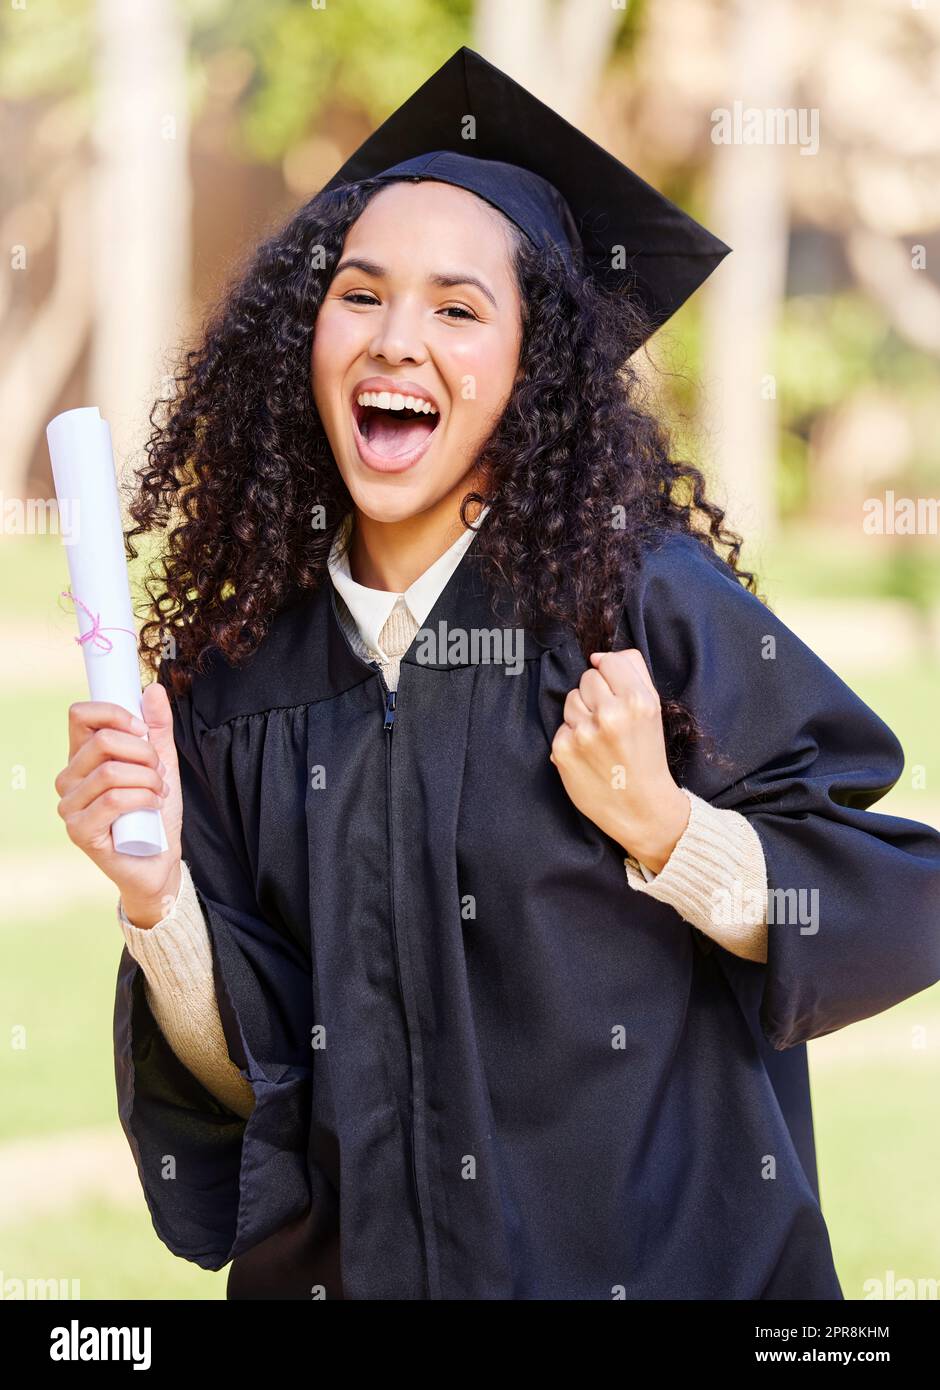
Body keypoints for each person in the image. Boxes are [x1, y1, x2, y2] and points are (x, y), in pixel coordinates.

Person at [55, 48, 940, 1300]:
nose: (395, 340)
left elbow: (891, 899)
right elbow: (255, 1090)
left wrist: (670, 829)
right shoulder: (237, 682)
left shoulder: (638, 610)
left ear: (536, 372)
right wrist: (158, 905)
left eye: (459, 309)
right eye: (359, 295)